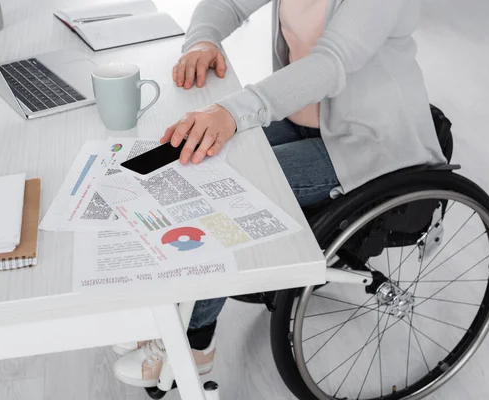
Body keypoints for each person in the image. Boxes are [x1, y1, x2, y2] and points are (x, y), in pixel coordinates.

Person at [113, 0, 447, 387]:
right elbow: (228, 4)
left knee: (224, 196)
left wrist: (233, 111)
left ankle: (194, 341)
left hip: (369, 144)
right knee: (195, 167)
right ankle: (172, 310)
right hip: (302, 121)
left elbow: (330, 63)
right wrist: (202, 41)